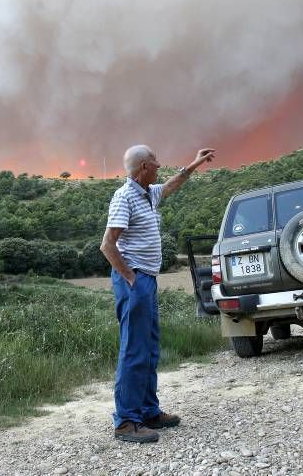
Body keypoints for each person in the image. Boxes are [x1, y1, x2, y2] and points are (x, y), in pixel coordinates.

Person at [100, 145, 216, 443]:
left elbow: (169, 187)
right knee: (134, 349)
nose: (159, 164)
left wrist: (193, 164)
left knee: (150, 347)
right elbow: (107, 245)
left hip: (146, 280)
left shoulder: (146, 193)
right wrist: (131, 278)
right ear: (142, 168)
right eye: (154, 161)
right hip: (135, 280)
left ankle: (149, 411)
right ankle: (126, 421)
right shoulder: (124, 197)